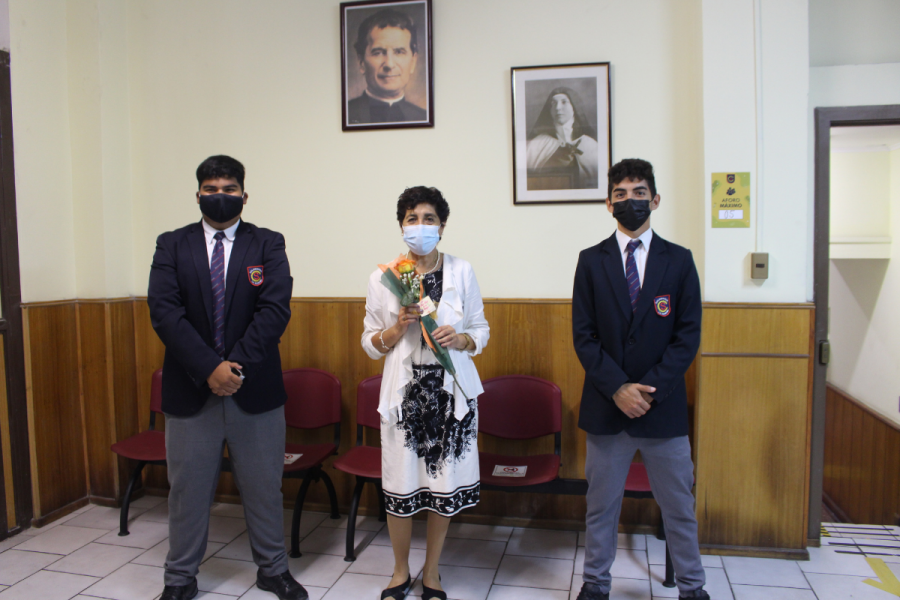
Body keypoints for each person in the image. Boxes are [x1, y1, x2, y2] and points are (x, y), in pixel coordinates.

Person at [148, 155, 307, 600]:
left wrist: (232, 368)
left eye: (229, 188)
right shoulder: (171, 245)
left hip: (253, 389)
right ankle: (179, 578)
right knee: (187, 492)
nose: (221, 196)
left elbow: (275, 311)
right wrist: (209, 369)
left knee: (262, 489)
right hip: (190, 390)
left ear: (244, 194)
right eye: (211, 188)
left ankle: (273, 570)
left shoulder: (268, 244)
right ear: (198, 193)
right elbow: (164, 312)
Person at [571, 159, 708, 600]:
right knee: (601, 508)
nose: (631, 201)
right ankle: (595, 584)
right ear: (608, 202)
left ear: (656, 198)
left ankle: (692, 587)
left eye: (639, 192)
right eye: (621, 193)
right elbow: (584, 336)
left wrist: (646, 391)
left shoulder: (680, 261)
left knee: (679, 507)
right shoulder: (590, 261)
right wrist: (618, 388)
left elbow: (687, 337)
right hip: (607, 408)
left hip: (661, 408)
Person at [361, 187, 489, 600]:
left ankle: (431, 572)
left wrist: (463, 339)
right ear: (401, 225)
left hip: (451, 392)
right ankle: (400, 572)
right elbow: (370, 342)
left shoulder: (462, 270)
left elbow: (481, 330)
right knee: (400, 484)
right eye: (412, 218)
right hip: (405, 396)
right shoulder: (385, 277)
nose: (421, 226)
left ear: (442, 226)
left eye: (429, 218)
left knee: (443, 485)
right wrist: (397, 327)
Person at [347, 8, 427, 124]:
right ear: (361, 62)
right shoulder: (346, 114)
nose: (389, 64)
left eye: (399, 52)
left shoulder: (423, 117)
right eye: (378, 53)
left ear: (413, 61)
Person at [526, 87, 600, 189]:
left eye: (564, 102)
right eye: (553, 104)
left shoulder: (590, 144)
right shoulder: (537, 144)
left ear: (574, 106)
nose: (558, 108)